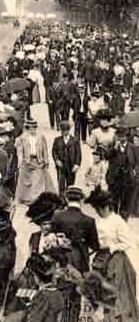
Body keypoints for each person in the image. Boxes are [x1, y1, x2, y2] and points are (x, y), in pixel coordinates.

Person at [85, 188, 139, 322]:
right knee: (98, 288)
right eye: (96, 209)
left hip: (116, 261)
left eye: (99, 209)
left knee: (116, 292)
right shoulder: (98, 221)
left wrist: (110, 247)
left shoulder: (117, 220)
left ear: (107, 207)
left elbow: (127, 242)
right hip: (100, 259)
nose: (98, 212)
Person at [51, 186, 100, 273]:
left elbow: (51, 237)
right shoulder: (89, 220)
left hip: (61, 257)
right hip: (81, 259)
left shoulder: (57, 216)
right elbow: (95, 246)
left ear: (66, 199)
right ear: (81, 200)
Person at [16, 119, 57, 205]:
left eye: (34, 128)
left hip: (38, 161)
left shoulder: (41, 137)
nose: (32, 130)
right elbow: (20, 151)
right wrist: (20, 163)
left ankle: (35, 199)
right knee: (26, 181)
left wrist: (46, 161)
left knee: (37, 181)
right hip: (27, 161)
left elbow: (45, 150)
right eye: (30, 128)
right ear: (28, 128)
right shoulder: (22, 138)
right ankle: (25, 198)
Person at [52, 121, 82, 195]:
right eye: (63, 130)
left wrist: (77, 164)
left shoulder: (75, 140)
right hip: (61, 165)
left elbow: (78, 153)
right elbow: (54, 151)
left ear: (69, 130)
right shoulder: (57, 140)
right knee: (61, 183)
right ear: (61, 131)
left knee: (70, 183)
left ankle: (69, 198)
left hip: (71, 165)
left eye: (67, 130)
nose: (65, 132)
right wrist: (57, 160)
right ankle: (61, 199)